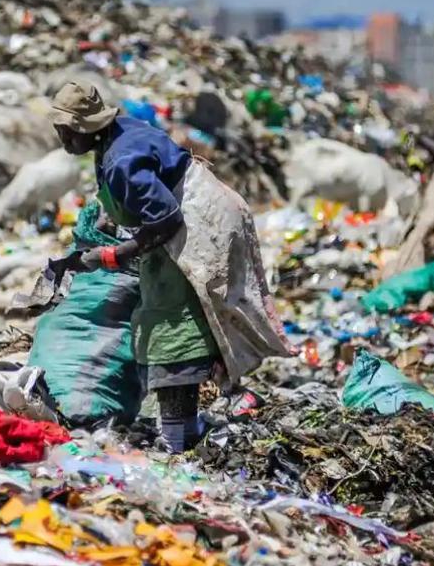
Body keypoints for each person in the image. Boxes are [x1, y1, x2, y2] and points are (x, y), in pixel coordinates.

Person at [47, 81, 292, 453]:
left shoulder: (120, 162)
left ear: (85, 129)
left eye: (66, 130)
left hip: (195, 224)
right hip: (189, 216)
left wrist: (114, 255)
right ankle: (180, 425)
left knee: (173, 326)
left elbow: (166, 220)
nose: (61, 138)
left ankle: (177, 439)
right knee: (165, 312)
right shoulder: (117, 135)